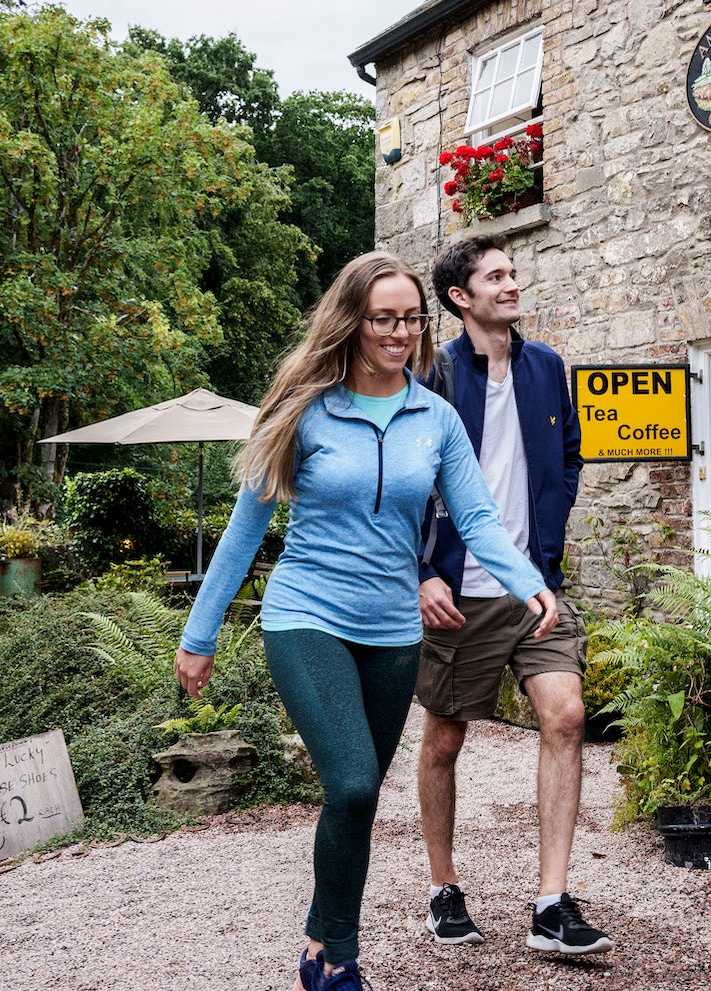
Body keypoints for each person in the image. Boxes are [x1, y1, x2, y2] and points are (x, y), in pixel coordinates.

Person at [175, 251, 560, 991]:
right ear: (351, 321)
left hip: (393, 631)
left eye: (410, 318)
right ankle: (340, 960)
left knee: (356, 795)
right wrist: (200, 635)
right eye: (383, 317)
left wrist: (529, 585)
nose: (398, 331)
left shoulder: (434, 415)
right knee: (352, 784)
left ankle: (318, 947)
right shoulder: (304, 409)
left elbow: (477, 519)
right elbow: (243, 531)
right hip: (307, 615)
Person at [414, 235, 612, 956]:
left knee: (565, 716)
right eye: (495, 275)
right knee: (444, 737)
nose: (511, 282)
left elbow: (567, 453)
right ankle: (444, 886)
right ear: (460, 297)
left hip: (535, 588)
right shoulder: (432, 374)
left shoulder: (546, 366)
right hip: (456, 592)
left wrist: (547, 546)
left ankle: (551, 903)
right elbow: (405, 476)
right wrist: (421, 568)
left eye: (512, 271)